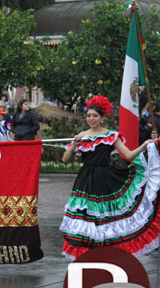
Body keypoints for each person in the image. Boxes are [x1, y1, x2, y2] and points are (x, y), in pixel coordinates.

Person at [60, 96, 160, 260]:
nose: (91, 119)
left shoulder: (111, 135)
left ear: (102, 118)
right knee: (84, 217)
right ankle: (86, 256)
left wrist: (145, 145)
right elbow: (65, 159)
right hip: (85, 180)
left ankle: (104, 255)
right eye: (89, 116)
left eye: (95, 116)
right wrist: (75, 145)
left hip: (105, 180)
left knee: (104, 217)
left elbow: (128, 154)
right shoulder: (81, 136)